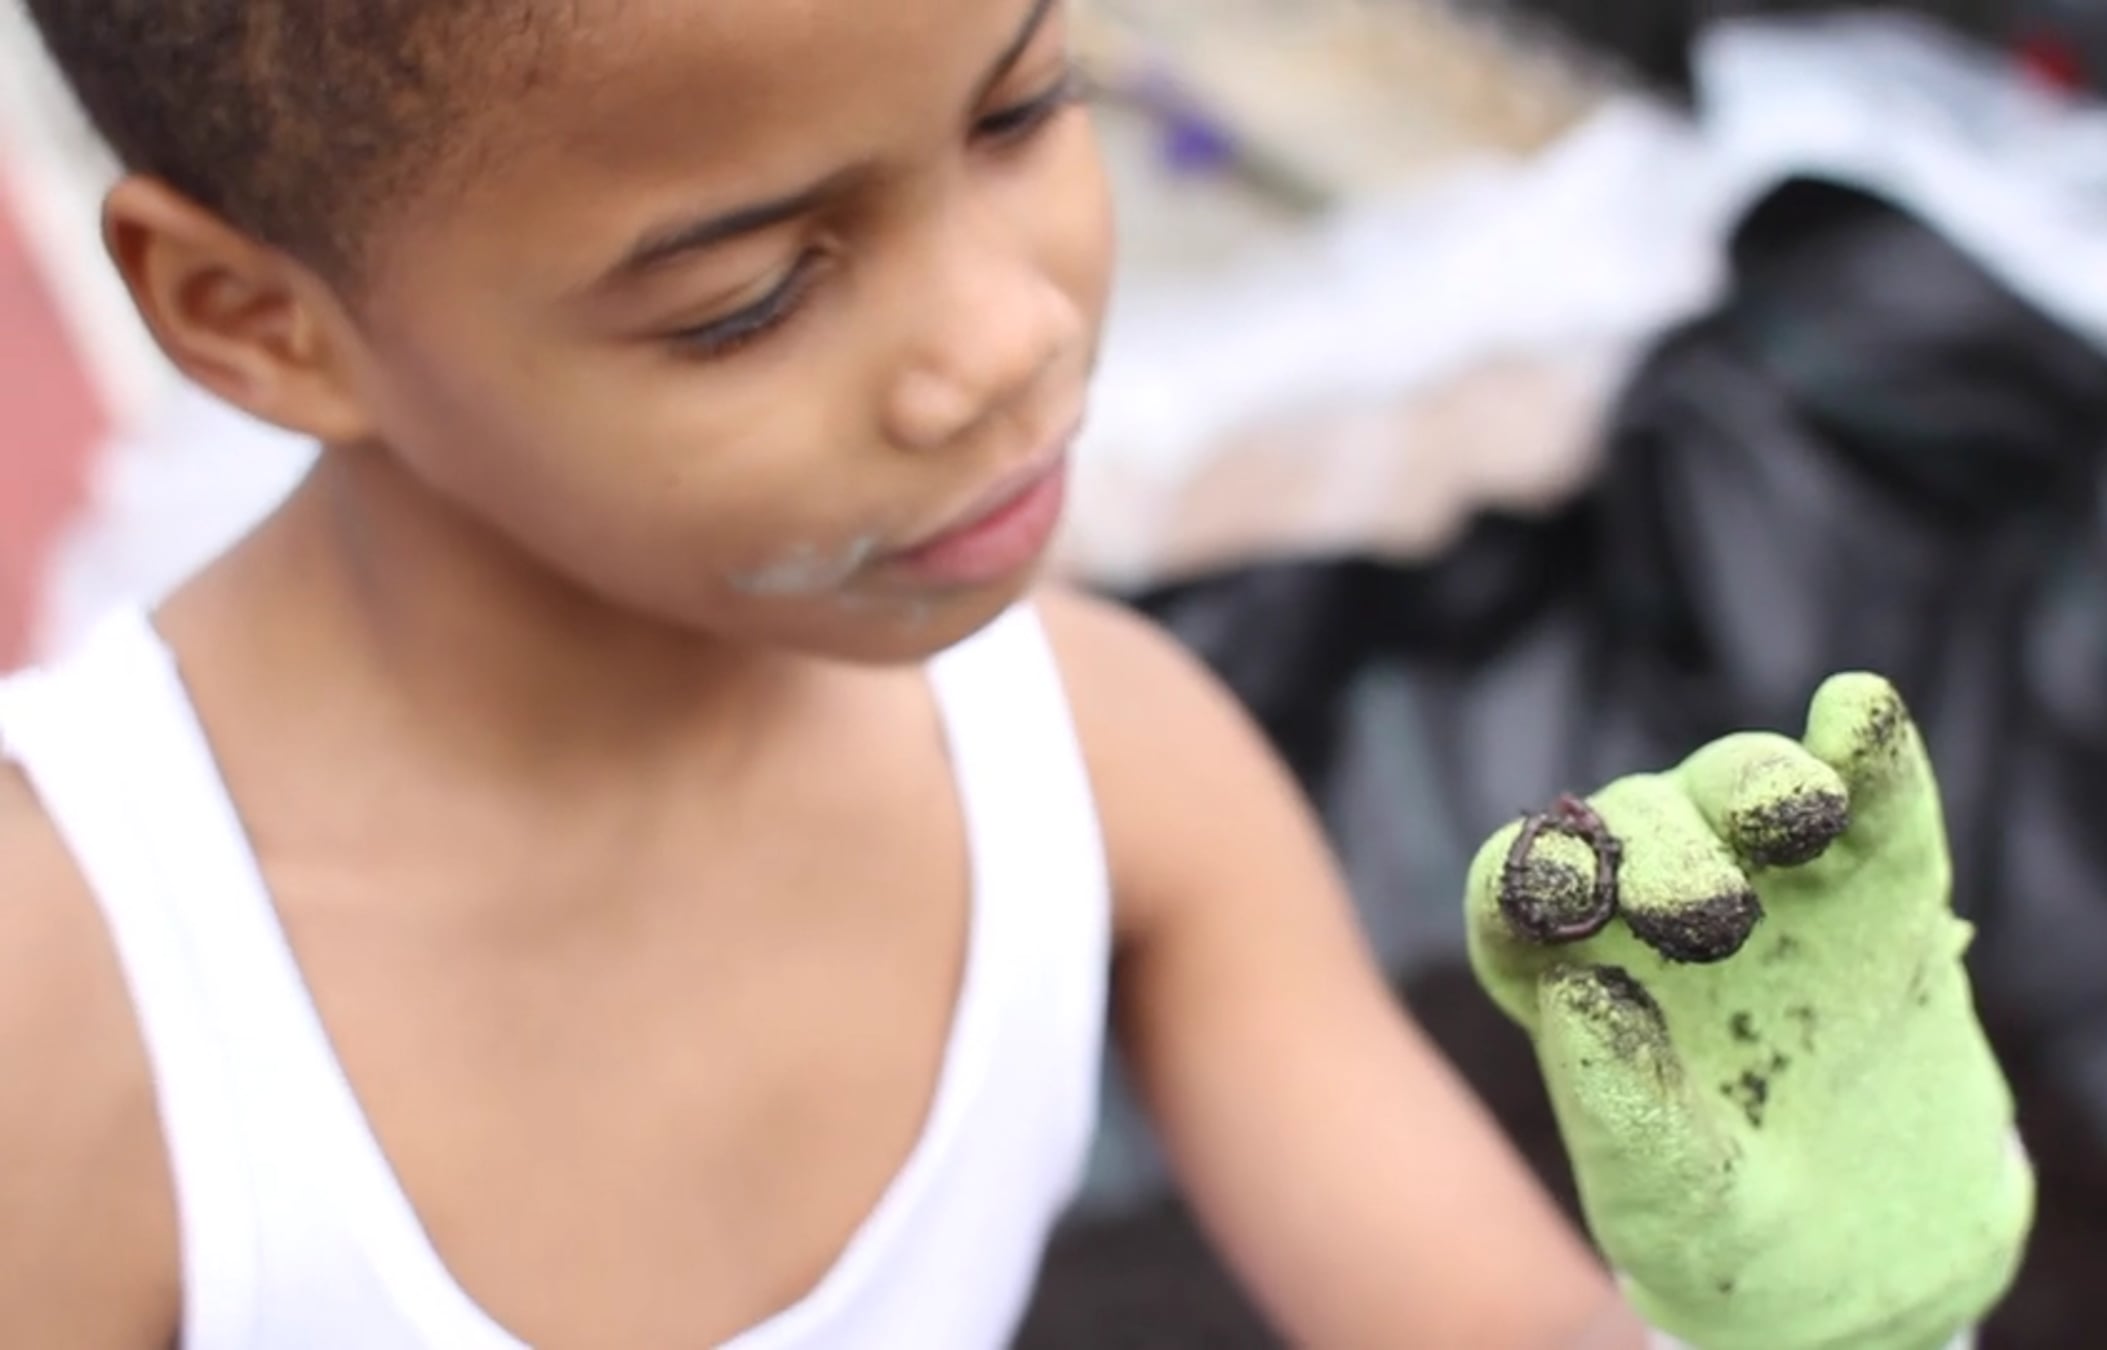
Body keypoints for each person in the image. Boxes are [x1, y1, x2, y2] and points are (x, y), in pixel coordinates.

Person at [0, 1, 1648, 1346]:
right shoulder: (73, 1000)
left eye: (1022, 108)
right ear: (256, 319)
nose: (1004, 342)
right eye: (749, 299)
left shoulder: (1105, 764)